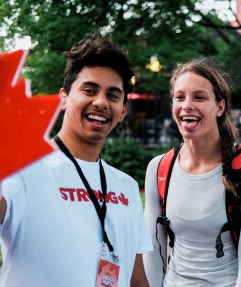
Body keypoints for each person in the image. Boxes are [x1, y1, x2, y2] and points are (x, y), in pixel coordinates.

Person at [0, 33, 153, 286]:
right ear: (63, 97)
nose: (101, 102)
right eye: (89, 90)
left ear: (123, 110)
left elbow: (136, 279)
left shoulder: (126, 186)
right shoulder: (23, 170)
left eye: (113, 95)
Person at [143, 58, 241, 286]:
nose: (187, 105)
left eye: (199, 97)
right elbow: (152, 252)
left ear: (220, 107)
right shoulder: (159, 168)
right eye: (180, 96)